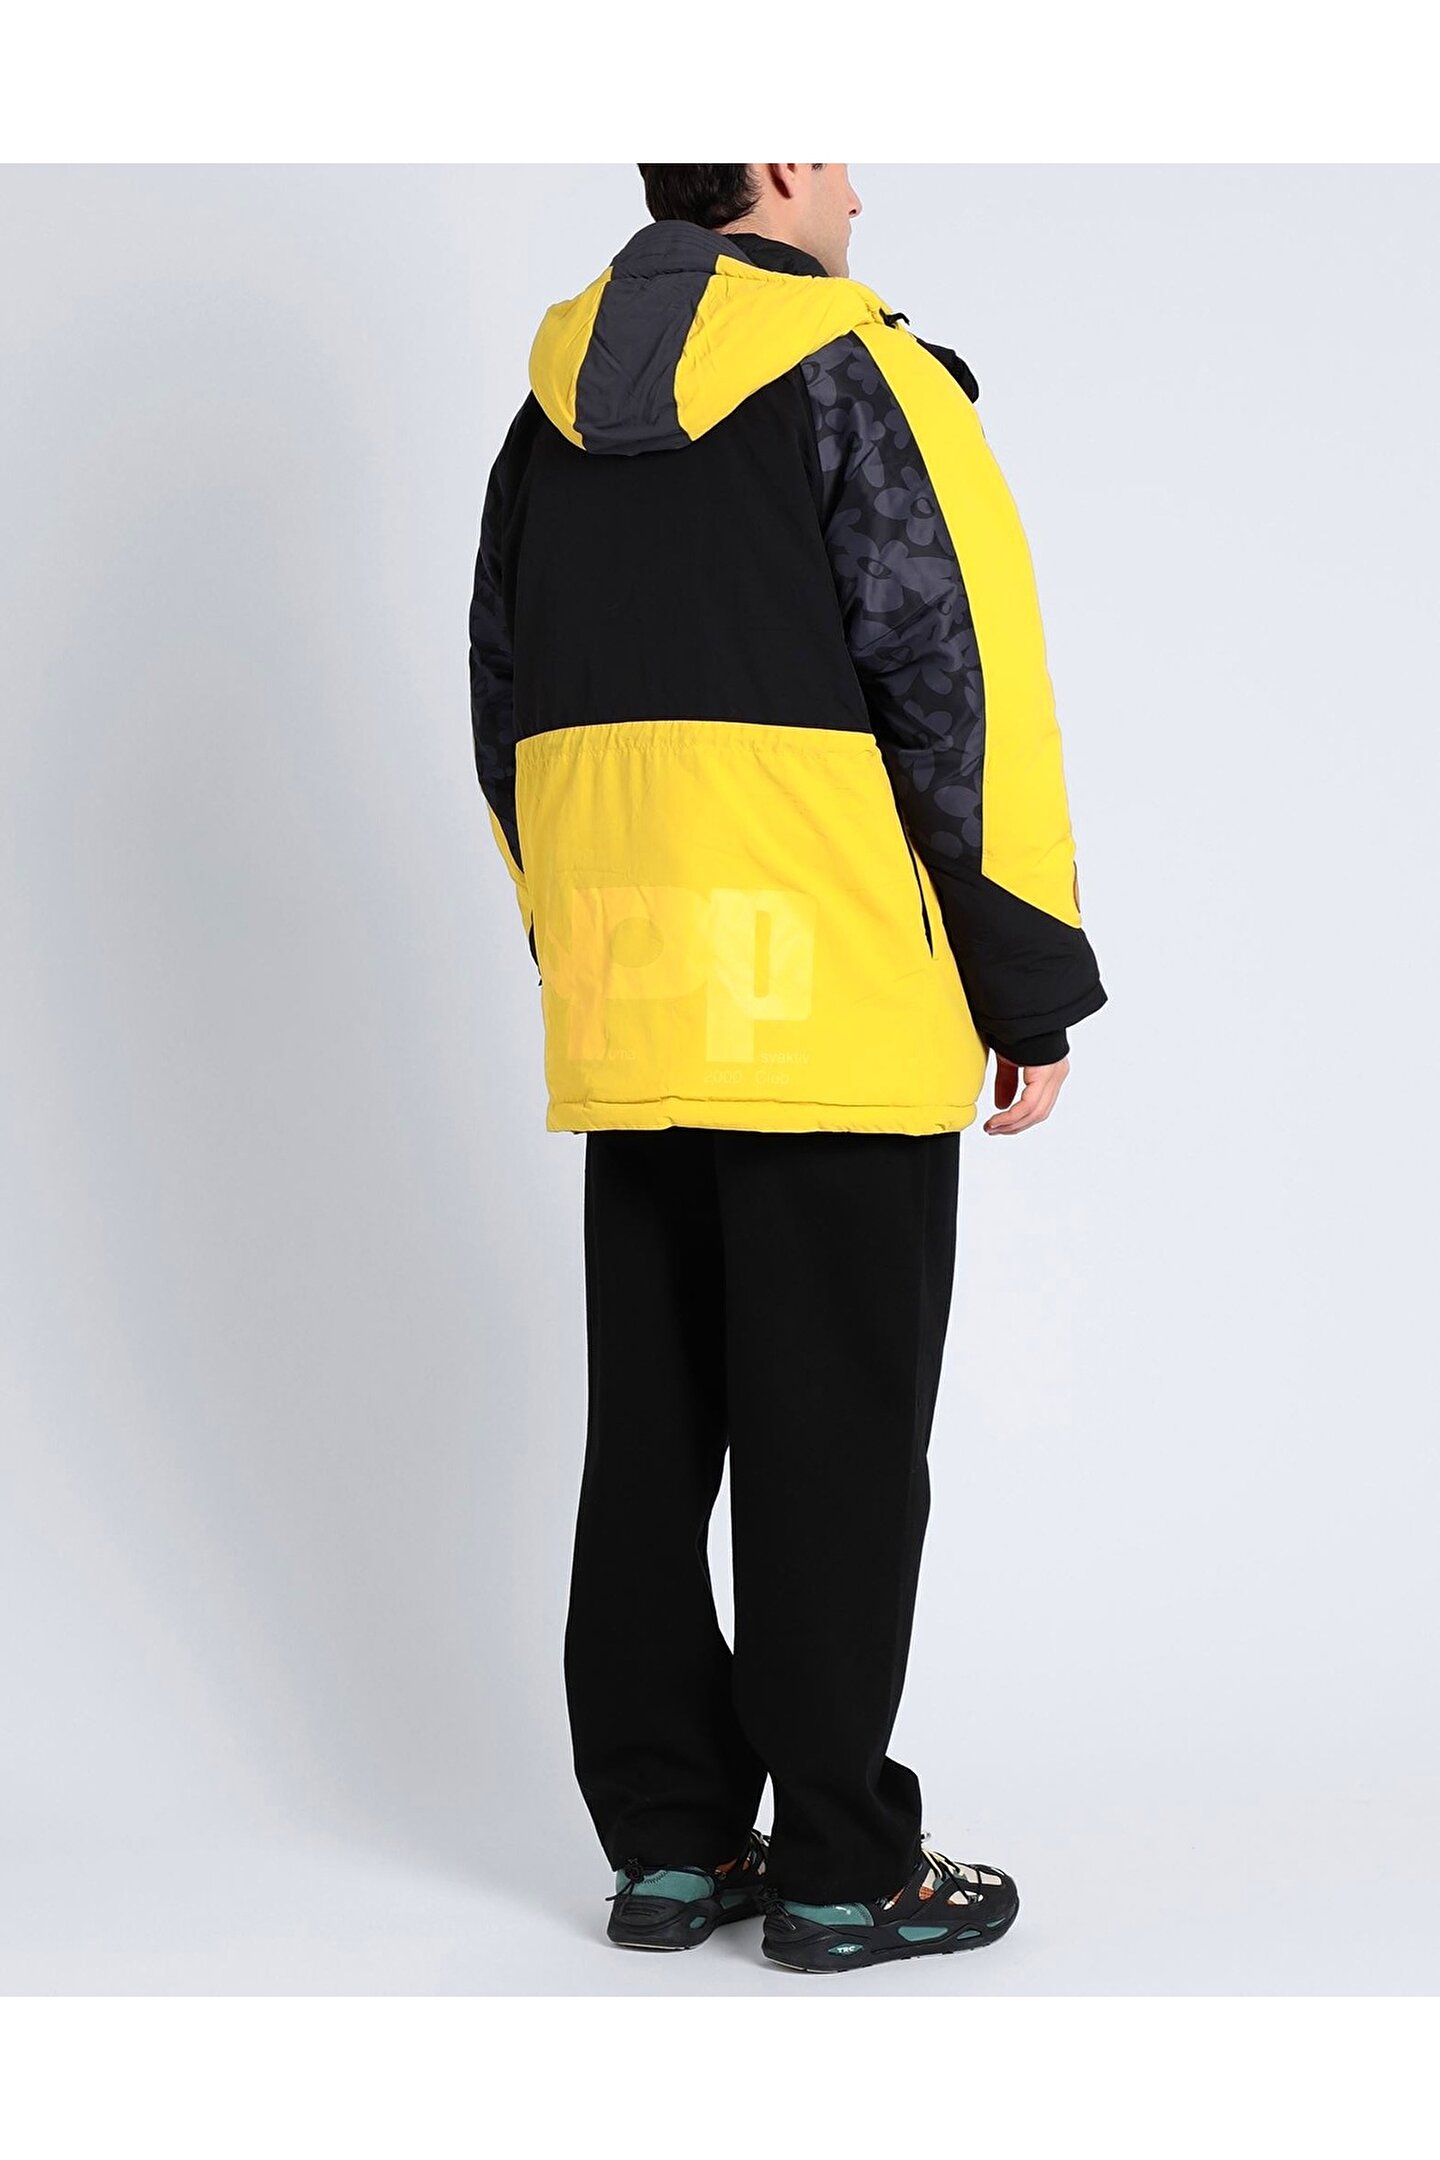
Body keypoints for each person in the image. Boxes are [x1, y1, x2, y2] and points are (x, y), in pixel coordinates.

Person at [468, 163, 1107, 1973]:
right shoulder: (860, 375)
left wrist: (582, 948)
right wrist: (1026, 980)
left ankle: (670, 1851)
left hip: (637, 999)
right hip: (829, 1004)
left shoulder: (546, 417)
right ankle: (840, 1870)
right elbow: (962, 686)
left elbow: (504, 702)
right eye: (830, 148)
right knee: (835, 1443)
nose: (858, 186)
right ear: (767, 157)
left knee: (653, 1437)